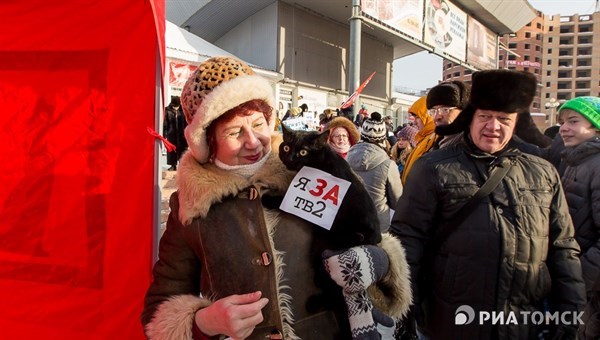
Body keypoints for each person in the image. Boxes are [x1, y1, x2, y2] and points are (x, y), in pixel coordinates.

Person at [142, 56, 412, 339]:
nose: (253, 140)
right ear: (207, 142)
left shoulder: (313, 169)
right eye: (234, 132)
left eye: (258, 124)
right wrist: (206, 322)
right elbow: (158, 311)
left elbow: (370, 235)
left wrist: (378, 262)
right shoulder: (191, 206)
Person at [391, 69, 586, 339]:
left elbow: (563, 248)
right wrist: (404, 311)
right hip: (451, 321)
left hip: (523, 323)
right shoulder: (433, 168)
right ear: (471, 118)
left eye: (503, 119)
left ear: (516, 123)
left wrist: (571, 316)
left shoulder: (543, 172)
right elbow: (408, 240)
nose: (493, 127)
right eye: (485, 116)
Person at [557, 96, 600, 340]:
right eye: (562, 121)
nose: (564, 128)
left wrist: (577, 279)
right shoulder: (576, 160)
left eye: (573, 121)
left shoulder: (597, 165)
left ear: (595, 126)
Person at [346, 112, 403, 233]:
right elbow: (398, 201)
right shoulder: (388, 164)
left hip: (349, 221)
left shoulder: (347, 158)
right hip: (377, 225)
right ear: (383, 138)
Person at [163, 96, 188, 171]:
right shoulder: (167, 110)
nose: (175, 108)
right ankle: (172, 165)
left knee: (182, 149)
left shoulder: (183, 110)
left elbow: (186, 122)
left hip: (182, 133)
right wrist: (164, 134)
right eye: (174, 106)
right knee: (172, 150)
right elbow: (165, 123)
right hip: (172, 133)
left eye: (176, 106)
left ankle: (182, 165)